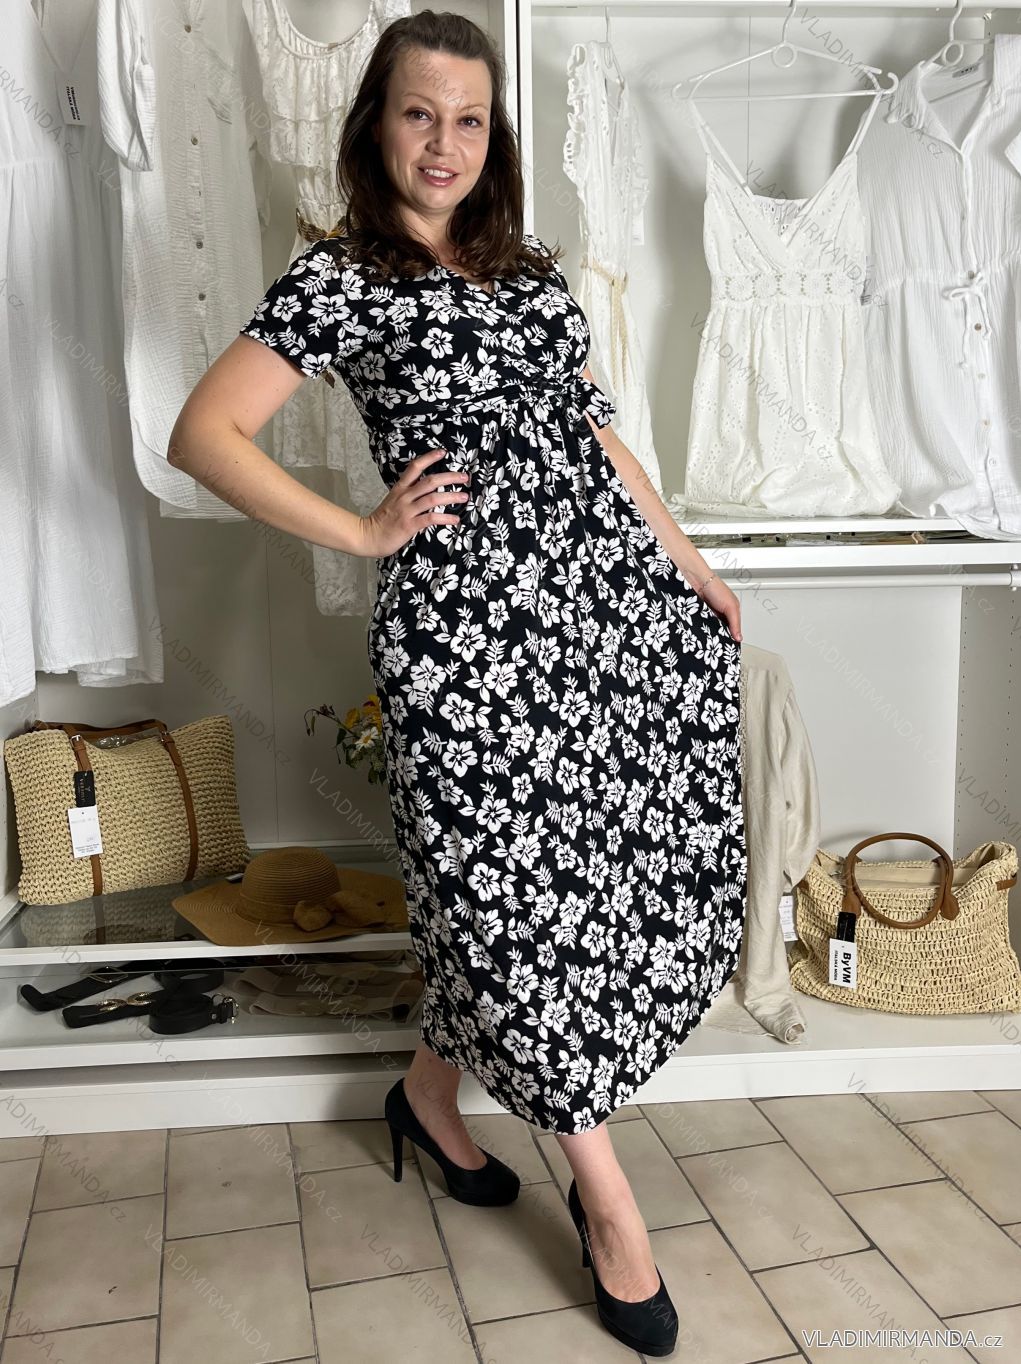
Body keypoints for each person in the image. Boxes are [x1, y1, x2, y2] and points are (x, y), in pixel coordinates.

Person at [168, 10, 747, 1356]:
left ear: (496, 137)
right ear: (377, 123)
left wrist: (692, 566)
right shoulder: (340, 277)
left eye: (470, 119)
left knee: (595, 873)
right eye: (419, 113)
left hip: (602, 615)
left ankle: (428, 1097)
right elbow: (205, 432)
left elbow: (596, 436)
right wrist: (365, 529)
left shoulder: (527, 270)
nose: (444, 143)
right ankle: (608, 1201)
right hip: (468, 636)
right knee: (513, 900)